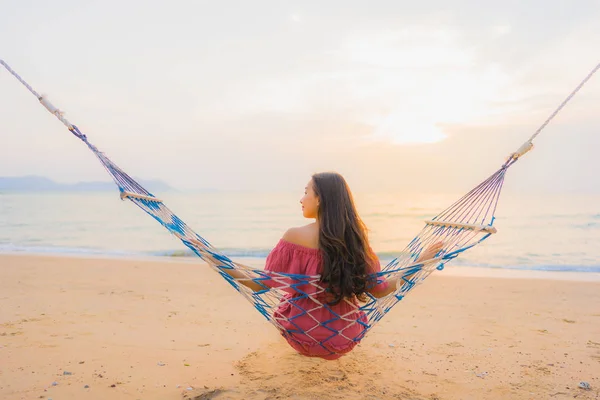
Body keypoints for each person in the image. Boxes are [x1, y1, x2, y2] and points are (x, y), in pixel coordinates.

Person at [202, 172, 442, 360]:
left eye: (306, 192)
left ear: (320, 199)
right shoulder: (357, 242)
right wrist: (419, 263)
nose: (301, 198)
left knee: (291, 300)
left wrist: (215, 259)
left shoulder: (294, 236)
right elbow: (379, 290)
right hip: (343, 339)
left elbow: (258, 286)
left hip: (299, 335)